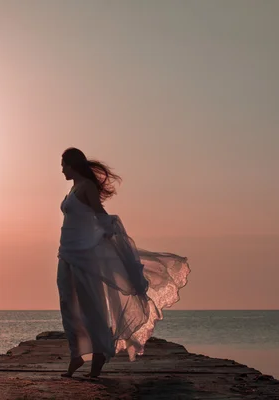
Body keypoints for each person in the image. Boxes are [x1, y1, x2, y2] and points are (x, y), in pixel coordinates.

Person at [57, 147, 190, 379]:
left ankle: (99, 353)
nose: (61, 170)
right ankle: (76, 353)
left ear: (72, 165)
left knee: (91, 307)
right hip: (66, 254)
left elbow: (100, 215)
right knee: (68, 305)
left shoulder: (86, 187)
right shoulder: (72, 188)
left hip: (85, 256)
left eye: (63, 165)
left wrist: (112, 242)